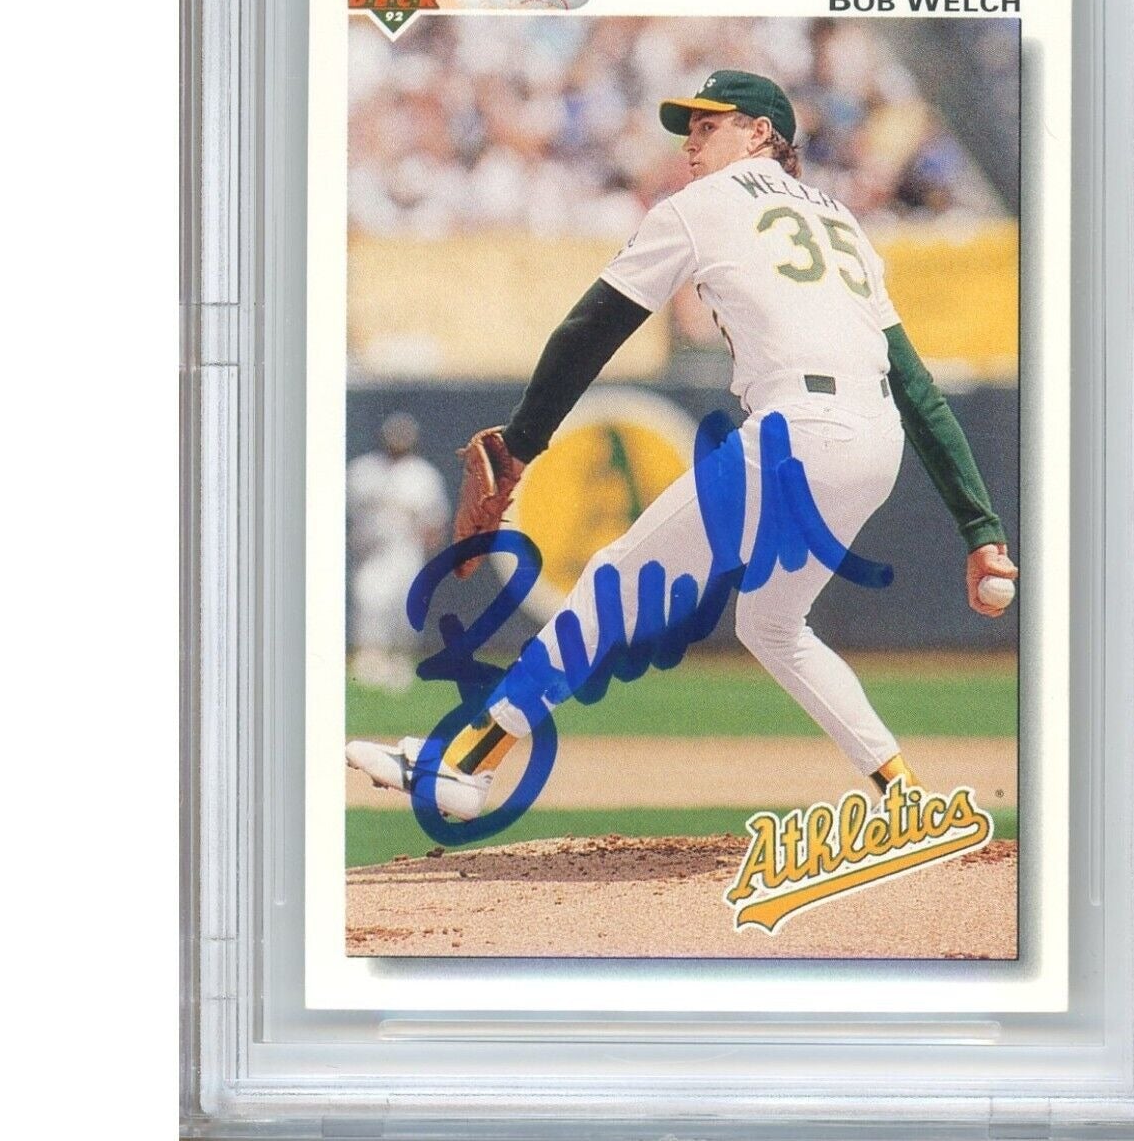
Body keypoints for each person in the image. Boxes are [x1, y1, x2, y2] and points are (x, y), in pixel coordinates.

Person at [347, 70, 1016, 818]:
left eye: (707, 126)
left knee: (612, 580)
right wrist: (980, 528)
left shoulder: (703, 204)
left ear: (759, 134)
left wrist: (523, 442)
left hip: (796, 431)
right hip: (874, 442)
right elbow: (916, 385)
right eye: (689, 130)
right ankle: (904, 796)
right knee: (773, 626)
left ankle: (463, 766)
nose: (691, 144)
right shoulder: (843, 223)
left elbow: (591, 327)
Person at [346, 412, 449, 690]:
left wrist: (430, 547)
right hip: (371, 552)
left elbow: (435, 521)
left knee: (405, 608)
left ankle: (400, 663)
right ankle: (369, 663)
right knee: (369, 602)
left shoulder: (423, 475)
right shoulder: (363, 470)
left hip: (406, 551)